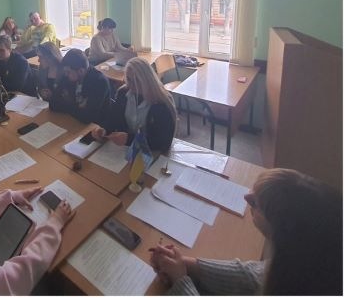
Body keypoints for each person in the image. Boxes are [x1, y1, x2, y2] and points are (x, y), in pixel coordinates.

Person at [149, 168, 342, 296]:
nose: (246, 196)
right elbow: (254, 276)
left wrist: (181, 283)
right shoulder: (304, 262)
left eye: (256, 203)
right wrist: (185, 265)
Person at [92, 57, 177, 153]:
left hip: (152, 151)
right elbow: (114, 119)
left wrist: (129, 139)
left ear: (147, 79)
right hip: (125, 149)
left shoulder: (162, 102)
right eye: (128, 79)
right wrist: (104, 130)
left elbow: (164, 142)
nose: (131, 84)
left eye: (137, 80)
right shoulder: (123, 93)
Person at [49, 49, 110, 125]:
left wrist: (67, 103)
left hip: (95, 127)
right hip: (72, 121)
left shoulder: (99, 82)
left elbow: (87, 117)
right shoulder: (69, 76)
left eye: (68, 72)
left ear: (81, 71)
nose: (66, 75)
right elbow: (52, 103)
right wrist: (76, 108)